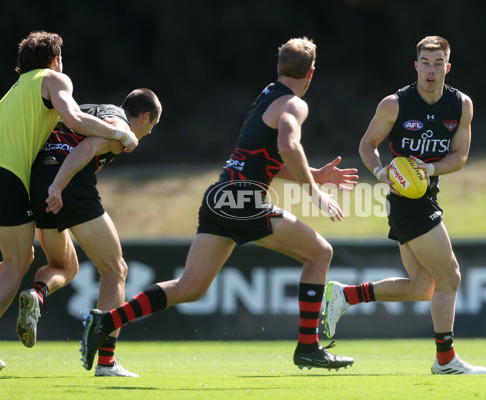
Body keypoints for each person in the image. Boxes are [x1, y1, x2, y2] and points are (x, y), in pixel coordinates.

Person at [79, 37, 357, 372]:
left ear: (279, 67)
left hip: (220, 195)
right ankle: (308, 348)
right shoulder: (295, 104)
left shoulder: (267, 96)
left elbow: (264, 157)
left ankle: (106, 321)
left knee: (190, 288)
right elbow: (288, 145)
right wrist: (314, 191)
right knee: (320, 253)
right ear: (311, 72)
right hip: (243, 199)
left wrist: (313, 174)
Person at [323, 36, 486, 375]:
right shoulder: (394, 104)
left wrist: (431, 168)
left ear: (448, 67)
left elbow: (460, 157)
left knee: (421, 288)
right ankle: (445, 361)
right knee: (450, 277)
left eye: (437, 63)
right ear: (416, 66)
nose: (431, 70)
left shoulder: (461, 106)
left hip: (427, 194)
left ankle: (344, 296)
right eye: (425, 63)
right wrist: (381, 171)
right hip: (405, 200)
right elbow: (368, 144)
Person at [0, 31, 138, 371]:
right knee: (18, 263)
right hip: (11, 177)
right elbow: (76, 119)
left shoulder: (14, 92)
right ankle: (107, 361)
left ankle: (37, 294)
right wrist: (120, 133)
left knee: (30, 260)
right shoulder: (53, 79)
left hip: (8, 177)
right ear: (54, 59)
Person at [15, 89, 162, 377]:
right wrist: (58, 185)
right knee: (115, 269)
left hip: (35, 180)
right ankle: (107, 362)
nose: (146, 134)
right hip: (65, 183)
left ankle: (36, 294)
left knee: (63, 266)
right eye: (151, 127)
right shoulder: (120, 128)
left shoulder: (94, 109)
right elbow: (88, 148)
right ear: (144, 117)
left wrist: (49, 185)